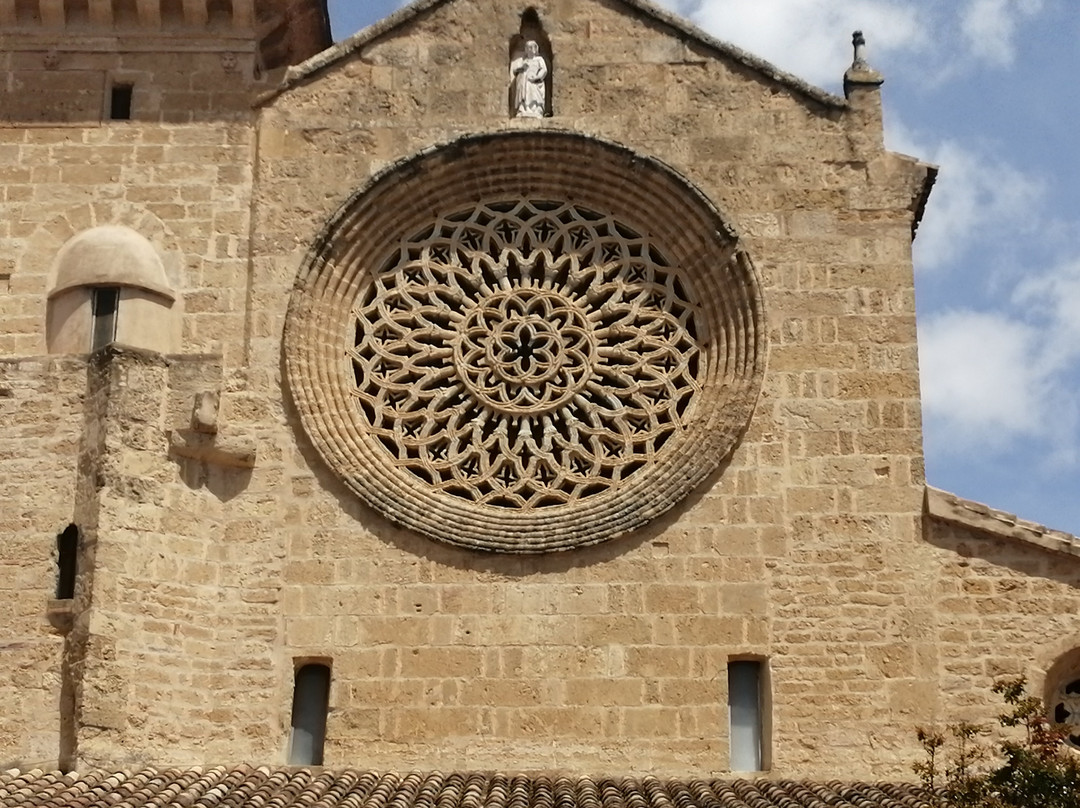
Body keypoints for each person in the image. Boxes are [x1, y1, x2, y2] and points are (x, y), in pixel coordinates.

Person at [510, 41, 547, 118]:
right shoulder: (524, 61)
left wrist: (537, 77)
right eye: (528, 48)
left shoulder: (539, 59)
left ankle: (535, 108)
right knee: (524, 89)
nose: (530, 49)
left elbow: (544, 69)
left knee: (533, 92)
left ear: (535, 49)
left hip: (535, 81)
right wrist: (521, 69)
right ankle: (523, 108)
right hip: (524, 81)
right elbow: (515, 71)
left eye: (531, 47)